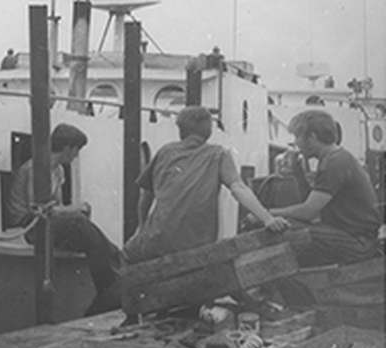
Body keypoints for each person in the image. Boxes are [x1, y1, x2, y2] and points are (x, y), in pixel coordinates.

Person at [124, 106, 290, 263]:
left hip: (157, 240)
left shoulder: (165, 152)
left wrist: (141, 229)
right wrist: (268, 219)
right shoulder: (218, 154)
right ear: (209, 131)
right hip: (198, 244)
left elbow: (145, 198)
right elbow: (238, 188)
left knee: (125, 256)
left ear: (180, 130)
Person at [6, 123, 122, 315]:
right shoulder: (35, 168)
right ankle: (111, 275)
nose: (76, 156)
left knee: (84, 229)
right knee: (79, 221)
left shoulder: (58, 171)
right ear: (68, 148)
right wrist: (74, 210)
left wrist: (72, 211)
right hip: (28, 226)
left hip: (47, 224)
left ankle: (107, 287)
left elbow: (56, 207)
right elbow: (39, 210)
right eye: (77, 150)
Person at [264, 110, 383, 266]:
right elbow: (311, 206)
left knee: (287, 234)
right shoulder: (334, 157)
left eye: (297, 137)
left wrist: (267, 213)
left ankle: (287, 286)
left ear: (312, 137)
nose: (296, 143)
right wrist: (298, 172)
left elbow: (308, 212)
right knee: (287, 225)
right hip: (351, 235)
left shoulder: (335, 163)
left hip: (358, 242)